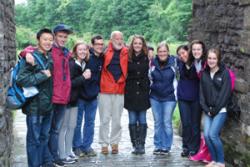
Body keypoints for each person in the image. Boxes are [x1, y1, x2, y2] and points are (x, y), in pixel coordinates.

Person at [21, 23, 73, 166]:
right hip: (47, 99)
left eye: (65, 37)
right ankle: (47, 159)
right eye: (60, 36)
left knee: (49, 132)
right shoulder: (47, 52)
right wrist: (26, 53)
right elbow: (29, 52)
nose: (62, 39)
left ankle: (48, 159)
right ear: (54, 36)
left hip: (60, 98)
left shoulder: (64, 53)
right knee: (41, 135)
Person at [17, 28, 54, 167]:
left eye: (50, 40)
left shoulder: (48, 56)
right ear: (38, 40)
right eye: (45, 39)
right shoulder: (31, 57)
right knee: (34, 140)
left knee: (44, 138)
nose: (48, 42)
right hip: (35, 107)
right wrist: (42, 75)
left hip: (48, 107)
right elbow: (21, 80)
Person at [58, 41, 91, 164]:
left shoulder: (83, 63)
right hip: (66, 99)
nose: (83, 52)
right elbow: (69, 83)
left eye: (85, 49)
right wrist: (83, 77)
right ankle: (62, 154)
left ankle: (69, 151)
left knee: (72, 126)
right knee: (64, 127)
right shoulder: (71, 64)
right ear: (75, 51)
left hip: (75, 100)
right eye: (80, 49)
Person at [73, 35, 104, 157]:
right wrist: (24, 53)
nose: (100, 46)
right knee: (78, 122)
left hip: (93, 97)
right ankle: (77, 147)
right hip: (80, 96)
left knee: (90, 122)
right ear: (92, 45)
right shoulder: (85, 56)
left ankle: (87, 146)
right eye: (97, 44)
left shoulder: (102, 58)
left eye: (102, 44)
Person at [200, 48, 231, 167]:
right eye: (209, 58)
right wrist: (207, 109)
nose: (211, 60)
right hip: (208, 110)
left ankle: (221, 162)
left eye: (214, 58)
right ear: (206, 59)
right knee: (207, 135)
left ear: (218, 59)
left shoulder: (224, 73)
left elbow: (225, 94)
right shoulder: (204, 74)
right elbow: (201, 94)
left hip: (220, 110)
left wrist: (214, 110)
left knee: (213, 134)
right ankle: (213, 160)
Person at [98, 31, 128, 154]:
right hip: (105, 88)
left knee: (117, 119)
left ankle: (115, 143)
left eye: (121, 38)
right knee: (104, 119)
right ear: (111, 40)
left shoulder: (127, 52)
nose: (119, 40)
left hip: (120, 89)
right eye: (116, 38)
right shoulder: (104, 51)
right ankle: (104, 143)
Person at [149, 42, 178, 155]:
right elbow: (149, 77)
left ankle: (166, 146)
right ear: (157, 52)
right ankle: (158, 145)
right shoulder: (152, 62)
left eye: (164, 51)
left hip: (169, 97)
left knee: (166, 122)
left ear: (168, 52)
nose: (162, 53)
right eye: (160, 51)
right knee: (157, 122)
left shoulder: (174, 62)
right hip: (155, 97)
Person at [124, 35, 150, 155]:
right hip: (131, 91)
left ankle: (142, 145)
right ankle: (135, 144)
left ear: (143, 45)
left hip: (143, 91)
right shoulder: (127, 57)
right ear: (132, 45)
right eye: (135, 43)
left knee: (143, 119)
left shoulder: (147, 57)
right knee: (132, 119)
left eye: (140, 43)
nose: (137, 45)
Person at [176, 45, 201, 157]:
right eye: (180, 54)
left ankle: (194, 148)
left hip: (196, 97)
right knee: (186, 123)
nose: (182, 55)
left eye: (183, 52)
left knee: (195, 125)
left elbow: (195, 76)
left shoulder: (197, 63)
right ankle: (185, 147)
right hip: (183, 98)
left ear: (188, 52)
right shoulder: (180, 64)